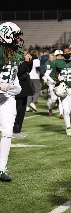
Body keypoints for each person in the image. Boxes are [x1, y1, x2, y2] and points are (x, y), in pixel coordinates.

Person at [0, 22, 32, 182]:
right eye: (15, 36)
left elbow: (13, 77)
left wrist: (15, 88)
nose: (18, 39)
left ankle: (1, 168)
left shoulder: (15, 53)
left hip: (6, 97)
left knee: (7, 133)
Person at [54, 47, 71, 136]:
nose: (67, 54)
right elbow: (56, 74)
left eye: (68, 53)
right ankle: (68, 127)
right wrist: (57, 79)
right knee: (66, 110)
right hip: (64, 88)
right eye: (65, 53)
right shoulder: (58, 62)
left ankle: (68, 123)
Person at [13, 48, 34, 138]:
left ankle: (18, 130)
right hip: (17, 88)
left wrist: (30, 62)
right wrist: (25, 62)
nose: (25, 54)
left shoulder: (23, 61)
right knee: (16, 110)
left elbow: (28, 70)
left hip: (24, 89)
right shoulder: (15, 61)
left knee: (22, 111)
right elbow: (18, 72)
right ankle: (14, 129)